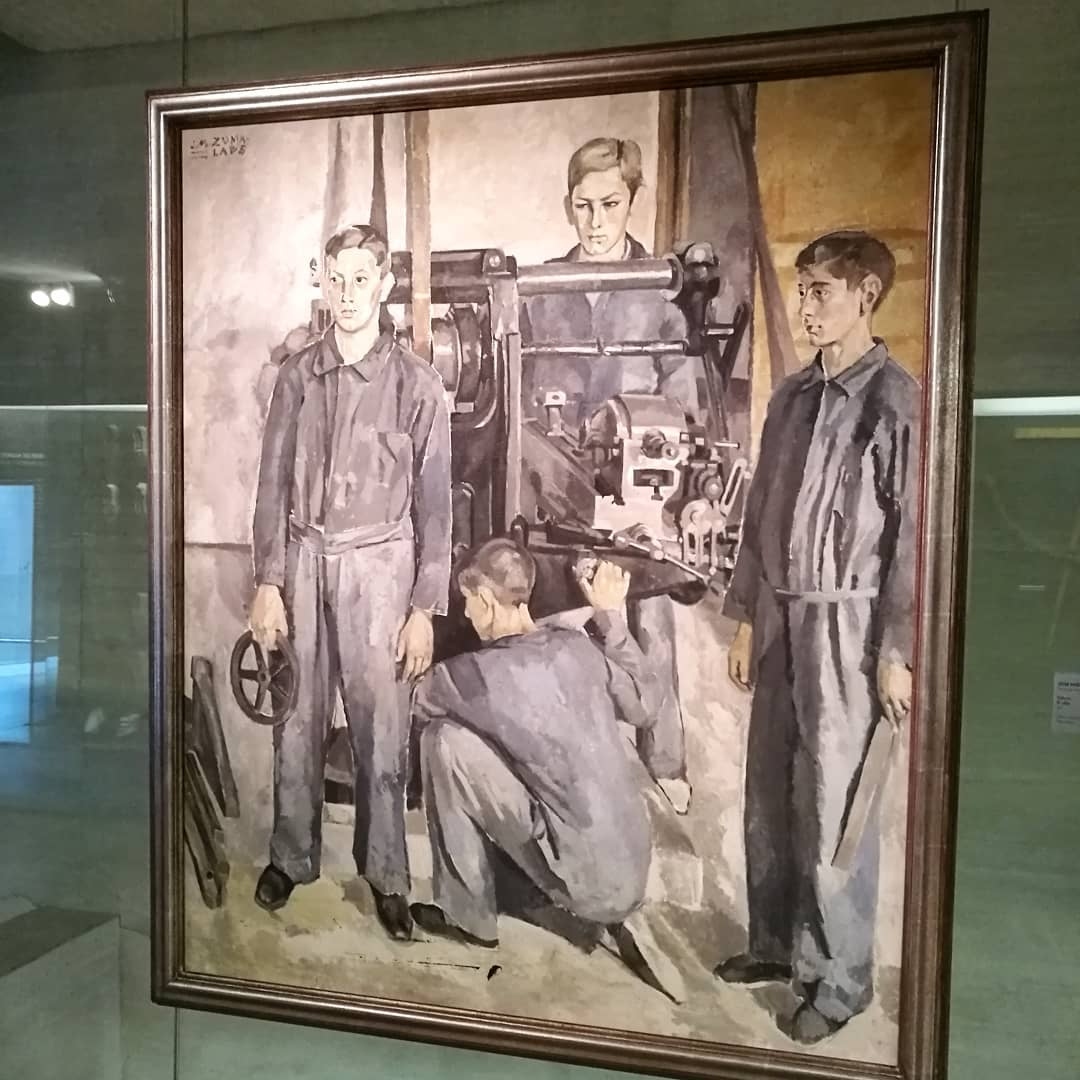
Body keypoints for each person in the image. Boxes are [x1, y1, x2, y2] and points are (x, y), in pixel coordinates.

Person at [715, 230, 920, 1043]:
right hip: (780, 619)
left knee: (835, 804)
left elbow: (915, 544)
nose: (805, 306)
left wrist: (897, 652)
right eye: (800, 290)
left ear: (866, 295)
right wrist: (744, 618)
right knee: (770, 792)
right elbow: (759, 516)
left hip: (849, 628)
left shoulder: (897, 402)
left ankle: (838, 983)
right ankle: (774, 945)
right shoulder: (791, 399)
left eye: (821, 291)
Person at [248, 223, 452, 941]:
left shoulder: (419, 385)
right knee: (296, 718)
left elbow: (437, 509)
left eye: (361, 278)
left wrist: (423, 607)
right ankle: (290, 856)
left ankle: (388, 875)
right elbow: (271, 485)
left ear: (385, 284)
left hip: (381, 570)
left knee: (382, 728)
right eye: (335, 279)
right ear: (322, 282)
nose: (347, 293)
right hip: (304, 558)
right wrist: (268, 581)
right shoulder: (297, 378)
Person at [410, 539, 684, 1002]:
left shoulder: (470, 673)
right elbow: (645, 704)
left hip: (582, 885)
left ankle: (467, 917)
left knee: (443, 741)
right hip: (633, 873)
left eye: (468, 603)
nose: (467, 615)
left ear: (486, 601)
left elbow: (414, 701)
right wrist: (610, 617)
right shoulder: (577, 647)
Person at [522, 136, 692, 813]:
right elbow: (521, 393)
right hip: (559, 487)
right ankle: (560, 761)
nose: (595, 221)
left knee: (650, 618)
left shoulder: (663, 294)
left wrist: (669, 500)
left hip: (638, 489)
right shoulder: (538, 291)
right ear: (568, 205)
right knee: (555, 617)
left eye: (610, 205)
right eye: (583, 205)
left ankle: (666, 759)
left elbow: (684, 400)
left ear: (632, 201)